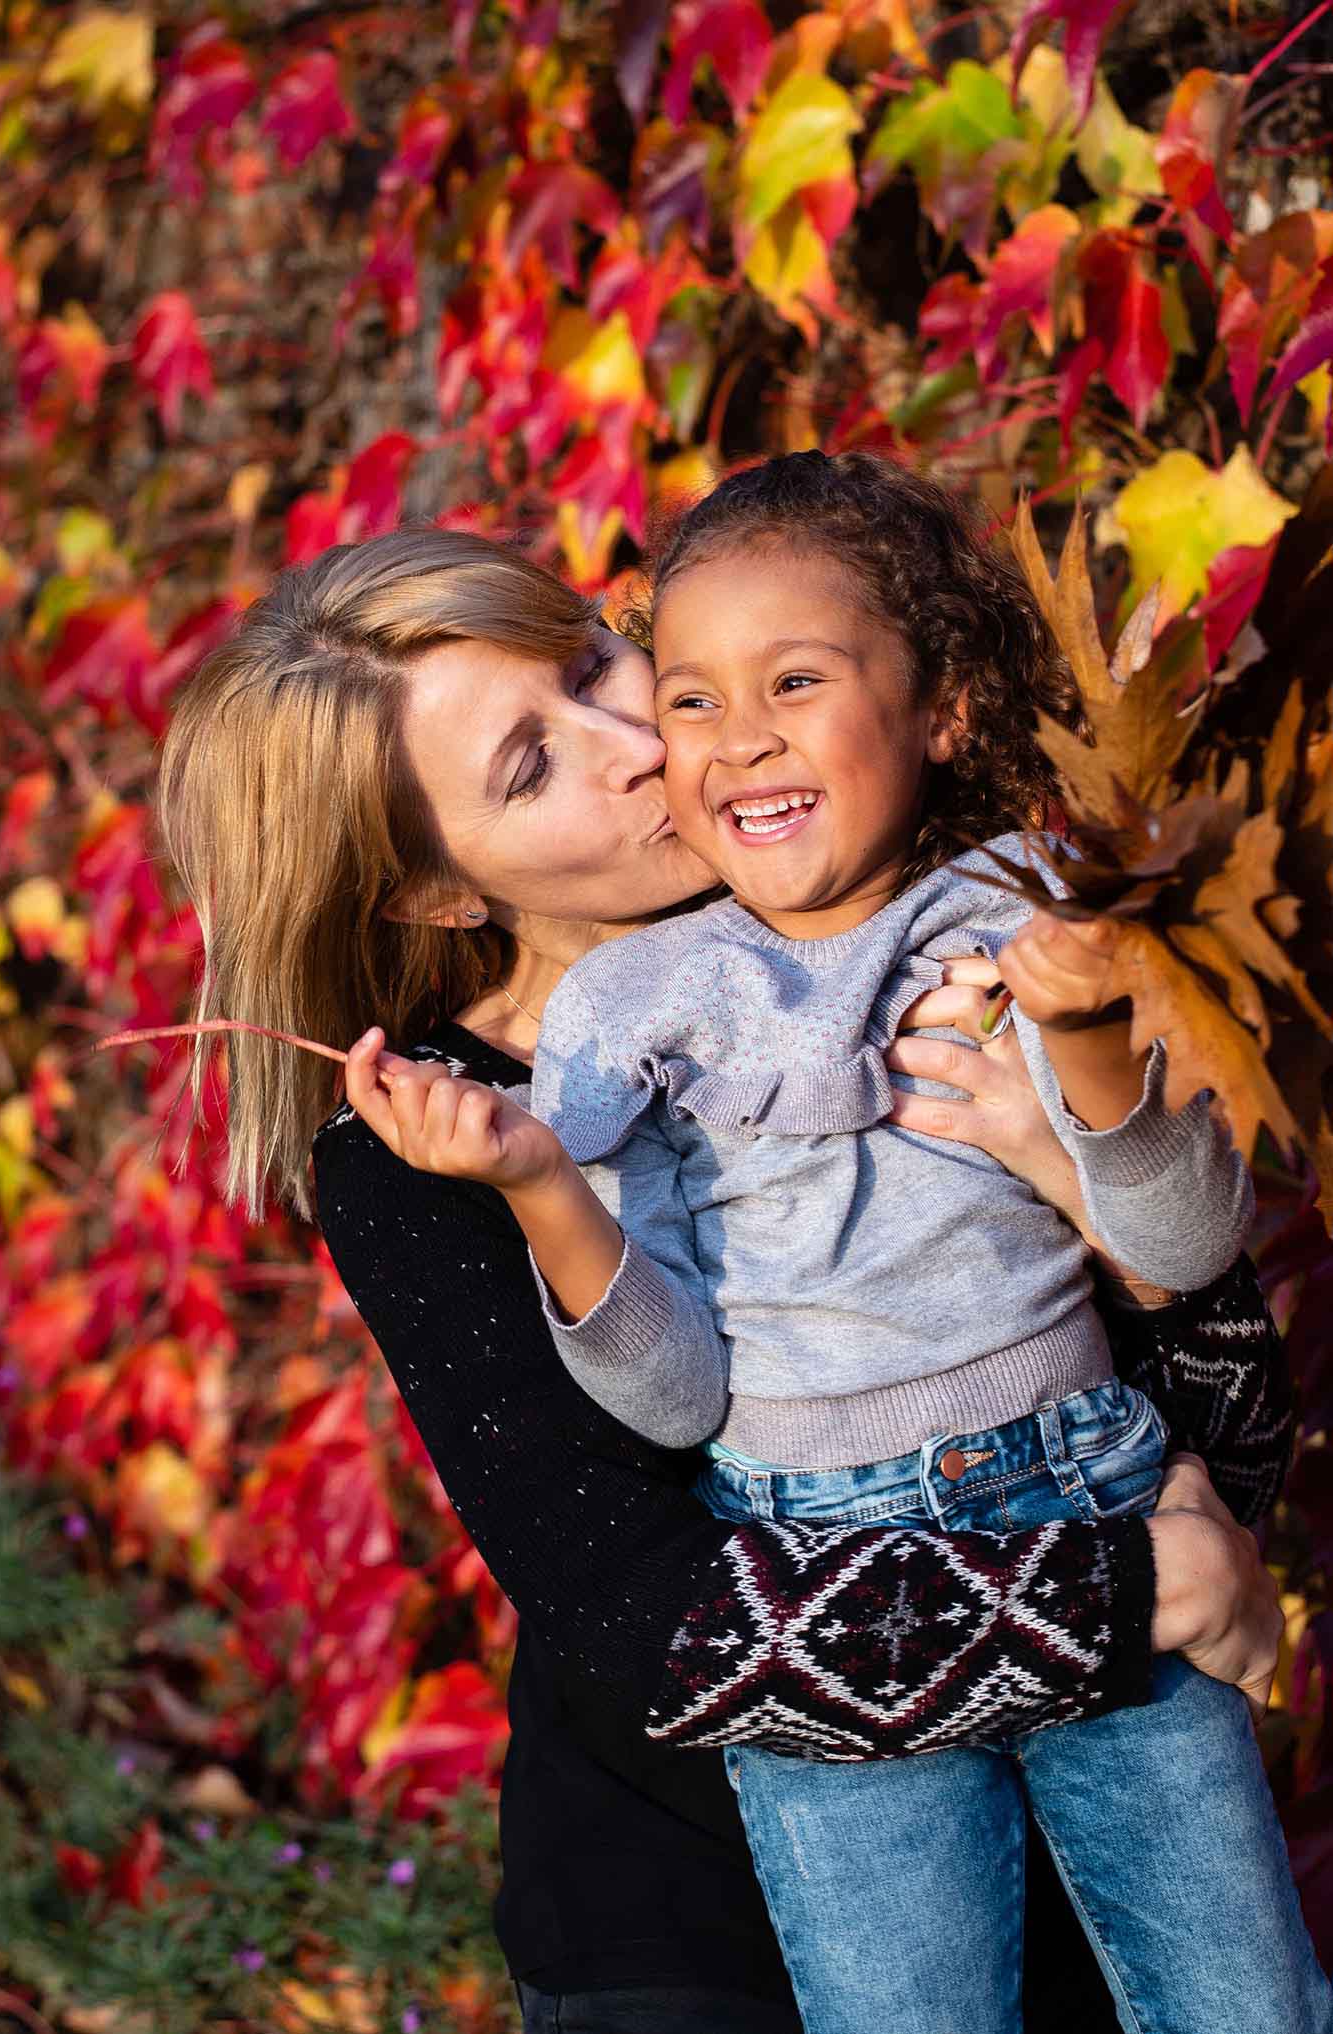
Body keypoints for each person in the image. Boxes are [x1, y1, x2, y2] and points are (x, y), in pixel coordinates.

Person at [157, 520, 1293, 2034]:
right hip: (705, 1928)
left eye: (592, 664)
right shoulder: (432, 1144)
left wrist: (1063, 1154)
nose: (637, 740)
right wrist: (1134, 1592)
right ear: (437, 892)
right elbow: (659, 1623)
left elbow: (1234, 1417)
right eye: (529, 766)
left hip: (1102, 1817)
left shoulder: (926, 907)